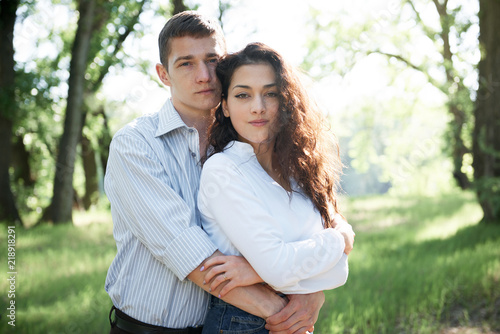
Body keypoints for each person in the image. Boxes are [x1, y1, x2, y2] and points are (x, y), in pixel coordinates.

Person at [104, 10, 352, 334]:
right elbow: (192, 257)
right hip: (154, 328)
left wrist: (311, 293)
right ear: (163, 74)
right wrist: (284, 311)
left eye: (212, 59)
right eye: (186, 63)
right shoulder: (136, 146)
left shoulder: (249, 140)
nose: (205, 75)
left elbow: (305, 224)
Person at [197, 42, 354, 334]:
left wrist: (258, 271)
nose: (258, 107)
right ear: (226, 106)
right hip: (241, 323)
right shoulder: (223, 170)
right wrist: (340, 238)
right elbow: (281, 268)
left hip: (294, 317)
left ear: (285, 102)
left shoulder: (297, 170)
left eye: (270, 93)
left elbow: (338, 271)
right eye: (243, 95)